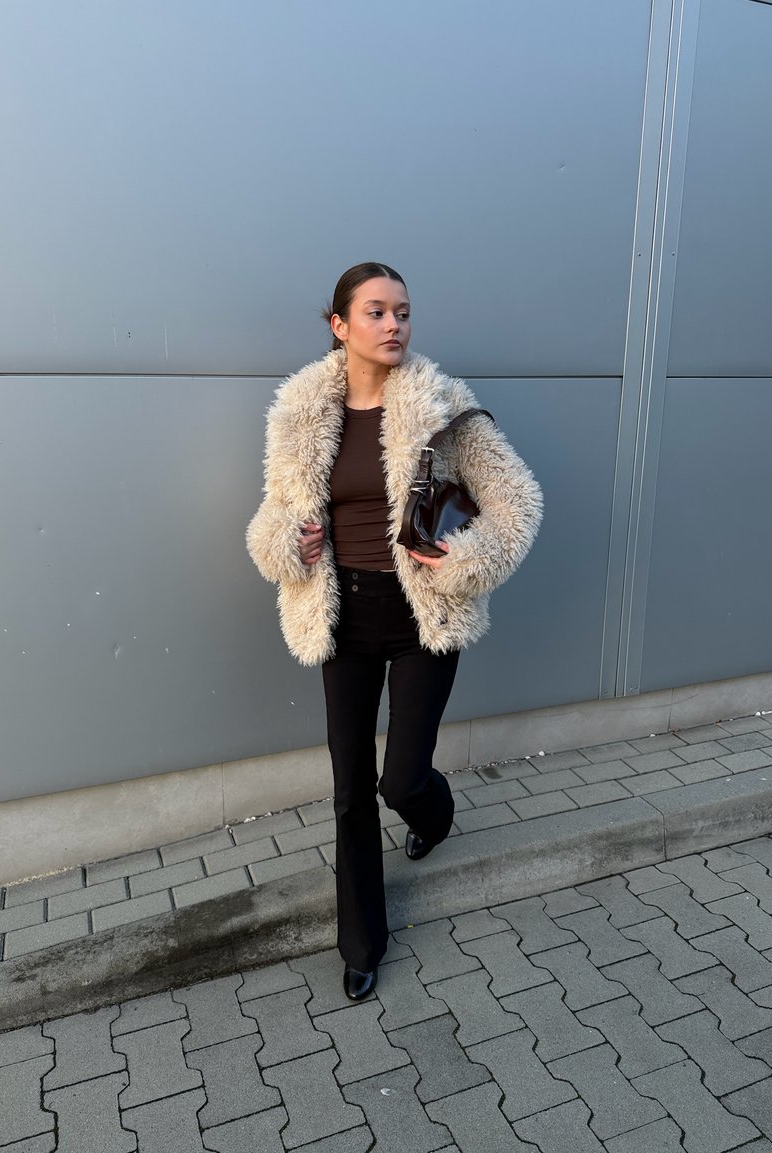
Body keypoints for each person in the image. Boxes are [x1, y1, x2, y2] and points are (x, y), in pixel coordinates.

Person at [247, 262, 543, 1000]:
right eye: (375, 312)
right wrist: (289, 542)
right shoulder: (301, 415)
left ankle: (431, 813)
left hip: (423, 615)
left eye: (403, 312)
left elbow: (517, 504)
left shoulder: (445, 407)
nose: (394, 326)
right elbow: (268, 519)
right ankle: (361, 942)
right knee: (350, 788)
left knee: (399, 777)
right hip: (341, 614)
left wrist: (463, 558)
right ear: (339, 325)